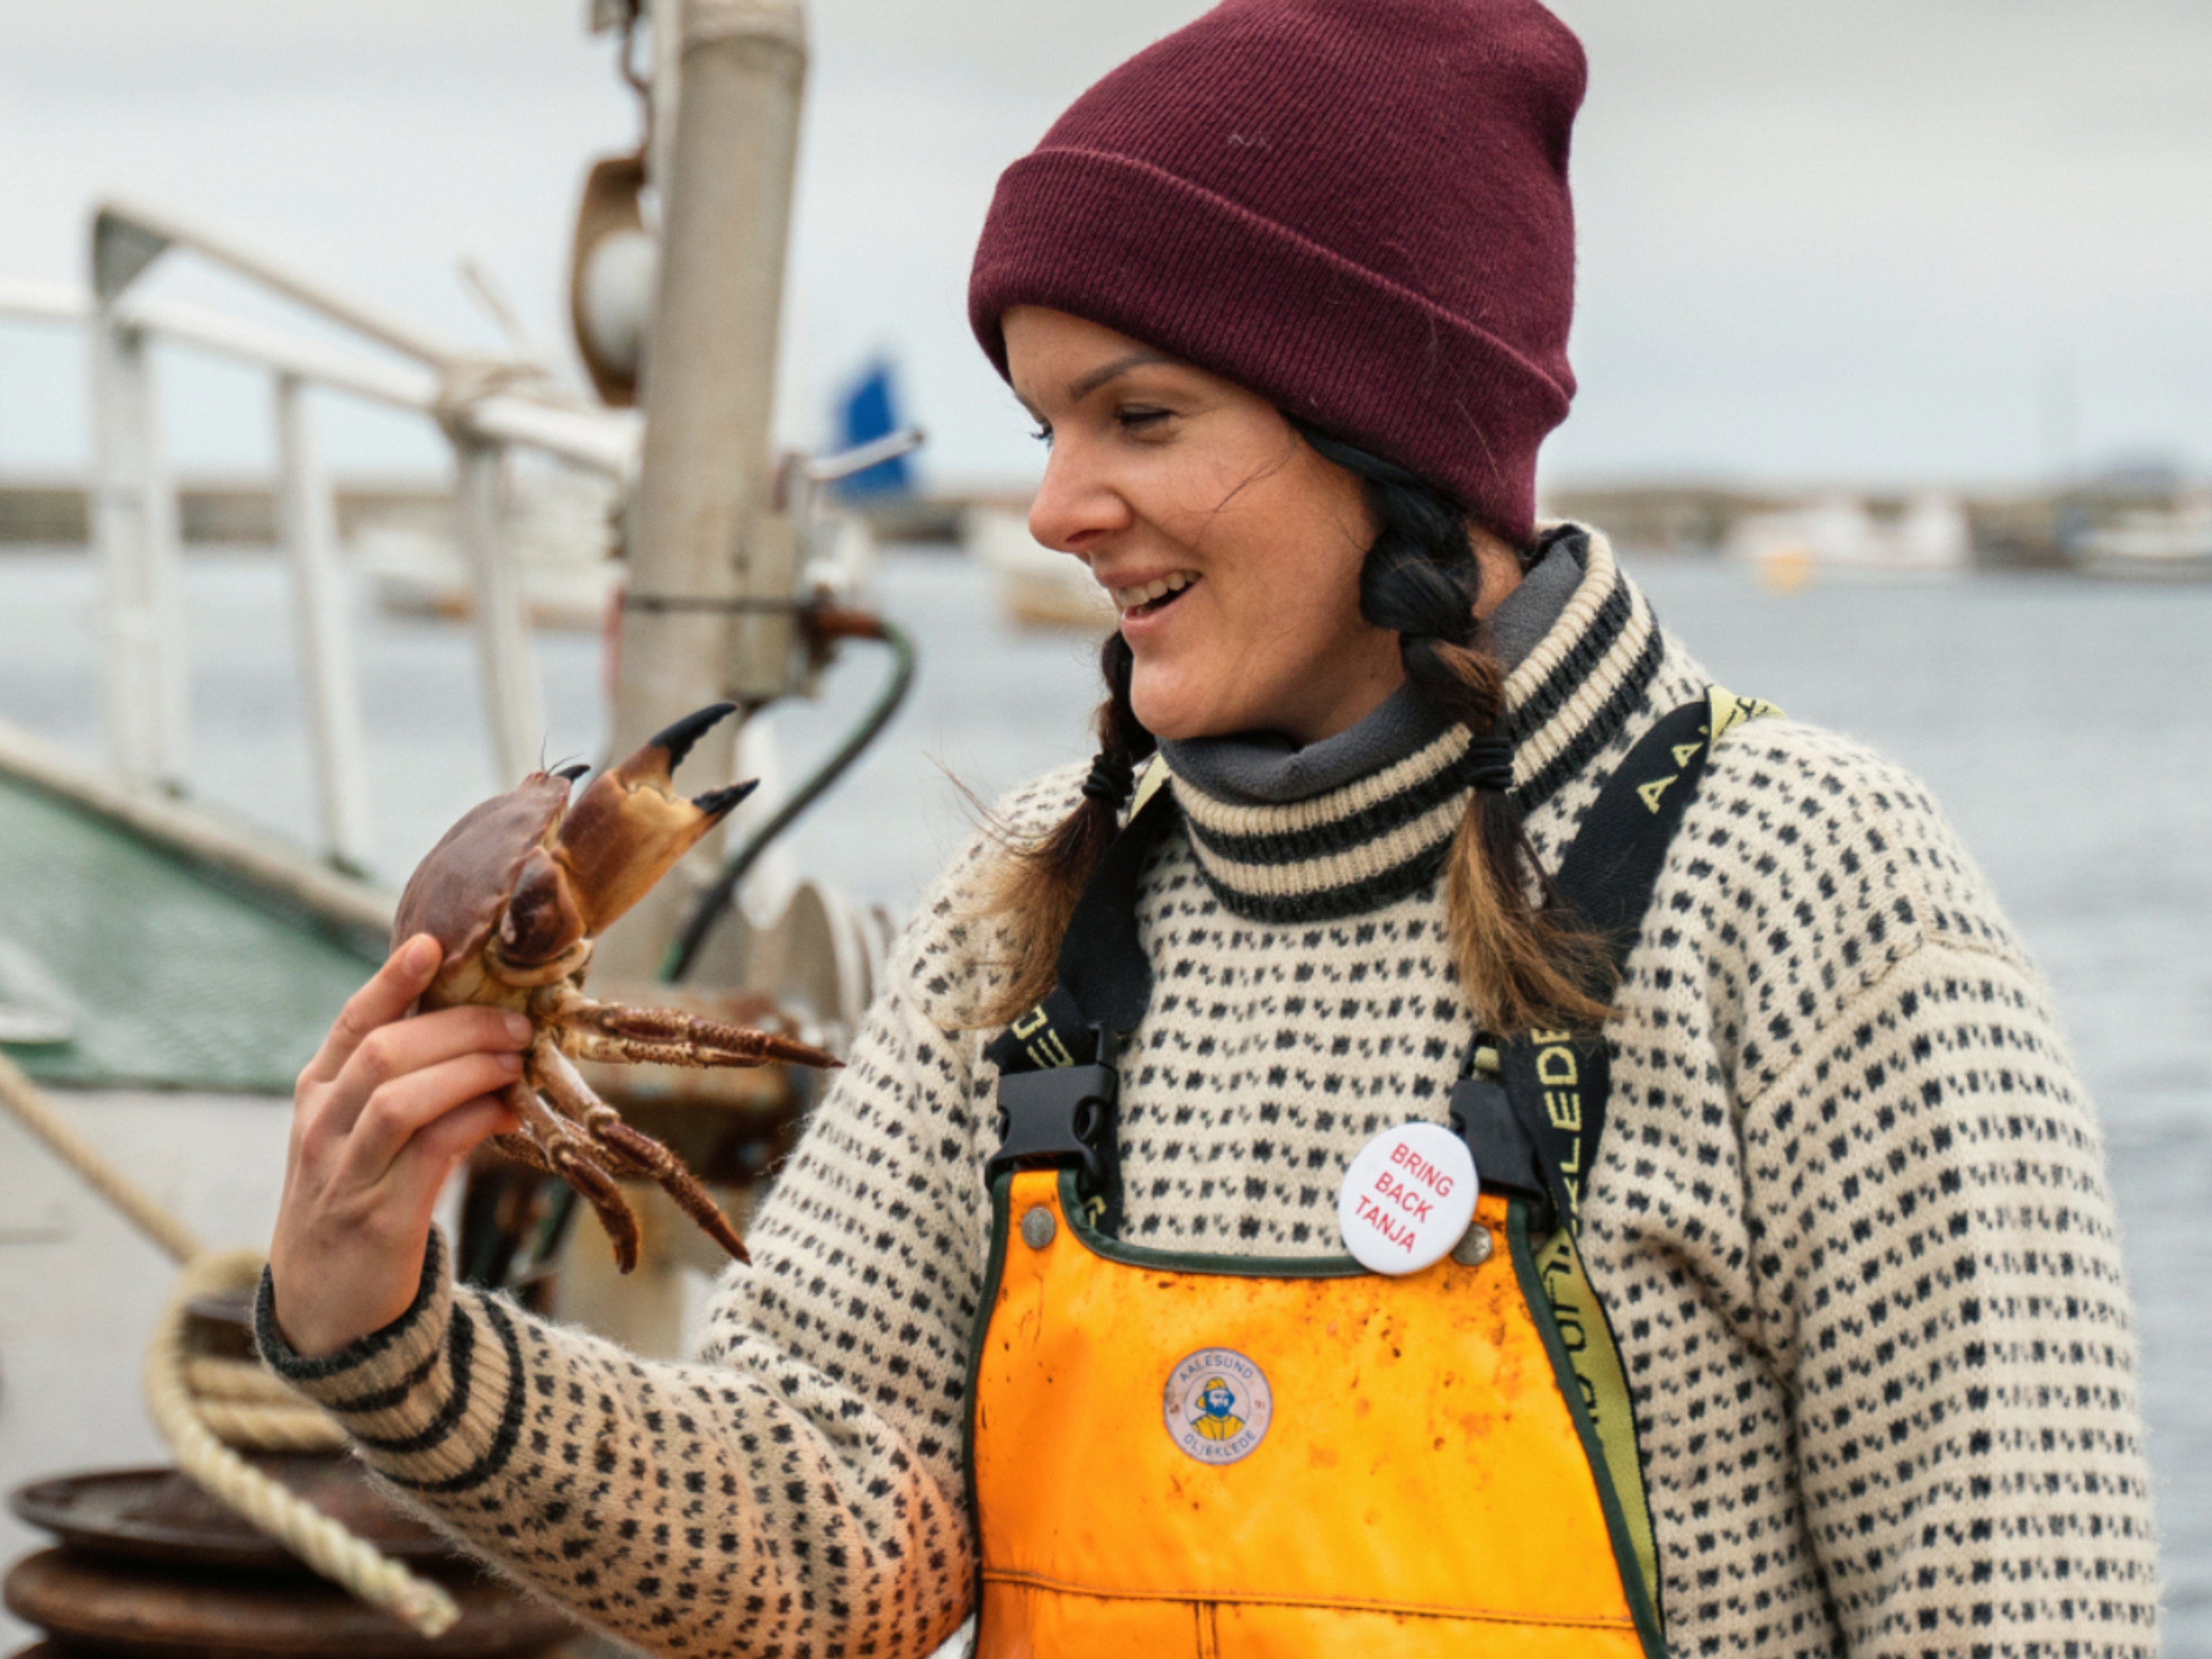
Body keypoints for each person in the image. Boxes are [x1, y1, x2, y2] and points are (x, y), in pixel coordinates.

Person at [260, 1, 2161, 1654]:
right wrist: (391, 1332)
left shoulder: (1806, 882)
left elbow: (2018, 1604)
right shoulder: (1039, 904)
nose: (1056, 509)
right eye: (1043, 430)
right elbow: (833, 1534)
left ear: (1398, 438)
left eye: (1140, 418)